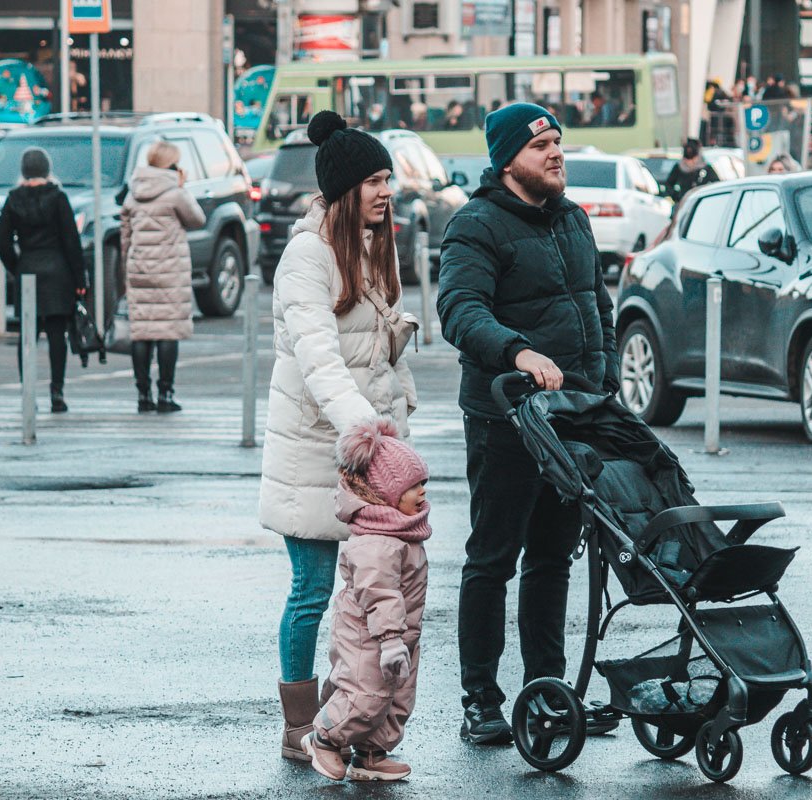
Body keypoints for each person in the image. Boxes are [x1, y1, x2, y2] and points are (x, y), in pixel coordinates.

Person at [436, 102, 619, 745]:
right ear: (508, 159)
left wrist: (608, 384)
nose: (556, 153)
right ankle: (480, 700)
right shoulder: (475, 226)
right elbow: (459, 309)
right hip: (506, 419)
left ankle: (548, 693)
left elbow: (597, 305)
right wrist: (518, 352)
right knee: (492, 560)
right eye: (541, 145)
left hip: (573, 418)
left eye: (558, 142)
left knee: (552, 560)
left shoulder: (572, 218)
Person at [262, 110, 419, 766]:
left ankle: (346, 718)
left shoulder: (372, 249)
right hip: (315, 450)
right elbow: (320, 356)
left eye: (389, 179)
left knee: (370, 598)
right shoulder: (307, 255)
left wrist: (401, 420)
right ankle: (299, 725)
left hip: (370, 459)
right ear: (345, 187)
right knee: (313, 587)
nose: (387, 191)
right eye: (376, 180)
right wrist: (367, 427)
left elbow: (384, 356)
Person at [302, 418, 430, 783]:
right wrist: (390, 640)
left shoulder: (402, 532)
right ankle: (324, 737)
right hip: (368, 635)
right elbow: (379, 592)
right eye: (412, 487)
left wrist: (400, 638)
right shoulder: (377, 541)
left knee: (397, 697)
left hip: (398, 633)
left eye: (423, 483)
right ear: (385, 492)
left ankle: (370, 754)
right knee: (366, 694)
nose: (422, 492)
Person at [0, 147, 87, 413]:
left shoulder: (13, 199)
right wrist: (79, 277)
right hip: (58, 271)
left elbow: (3, 243)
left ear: (24, 171)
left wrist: (18, 267)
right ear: (47, 169)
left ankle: (28, 393)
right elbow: (72, 241)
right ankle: (57, 392)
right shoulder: (58, 198)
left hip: (28, 269)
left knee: (28, 336)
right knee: (57, 335)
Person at [120, 140, 206, 413]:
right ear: (170, 164)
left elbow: (125, 238)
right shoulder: (175, 193)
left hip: (139, 270)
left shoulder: (132, 193)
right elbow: (198, 219)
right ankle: (166, 394)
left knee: (142, 332)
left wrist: (127, 268)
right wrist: (181, 186)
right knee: (167, 332)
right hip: (170, 271)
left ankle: (142, 395)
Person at [664, 138, 719, 203]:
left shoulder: (706, 169)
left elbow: (716, 185)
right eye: (687, 160)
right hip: (684, 201)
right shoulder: (679, 167)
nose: (690, 163)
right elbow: (668, 185)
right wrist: (677, 196)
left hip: (701, 202)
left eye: (693, 159)